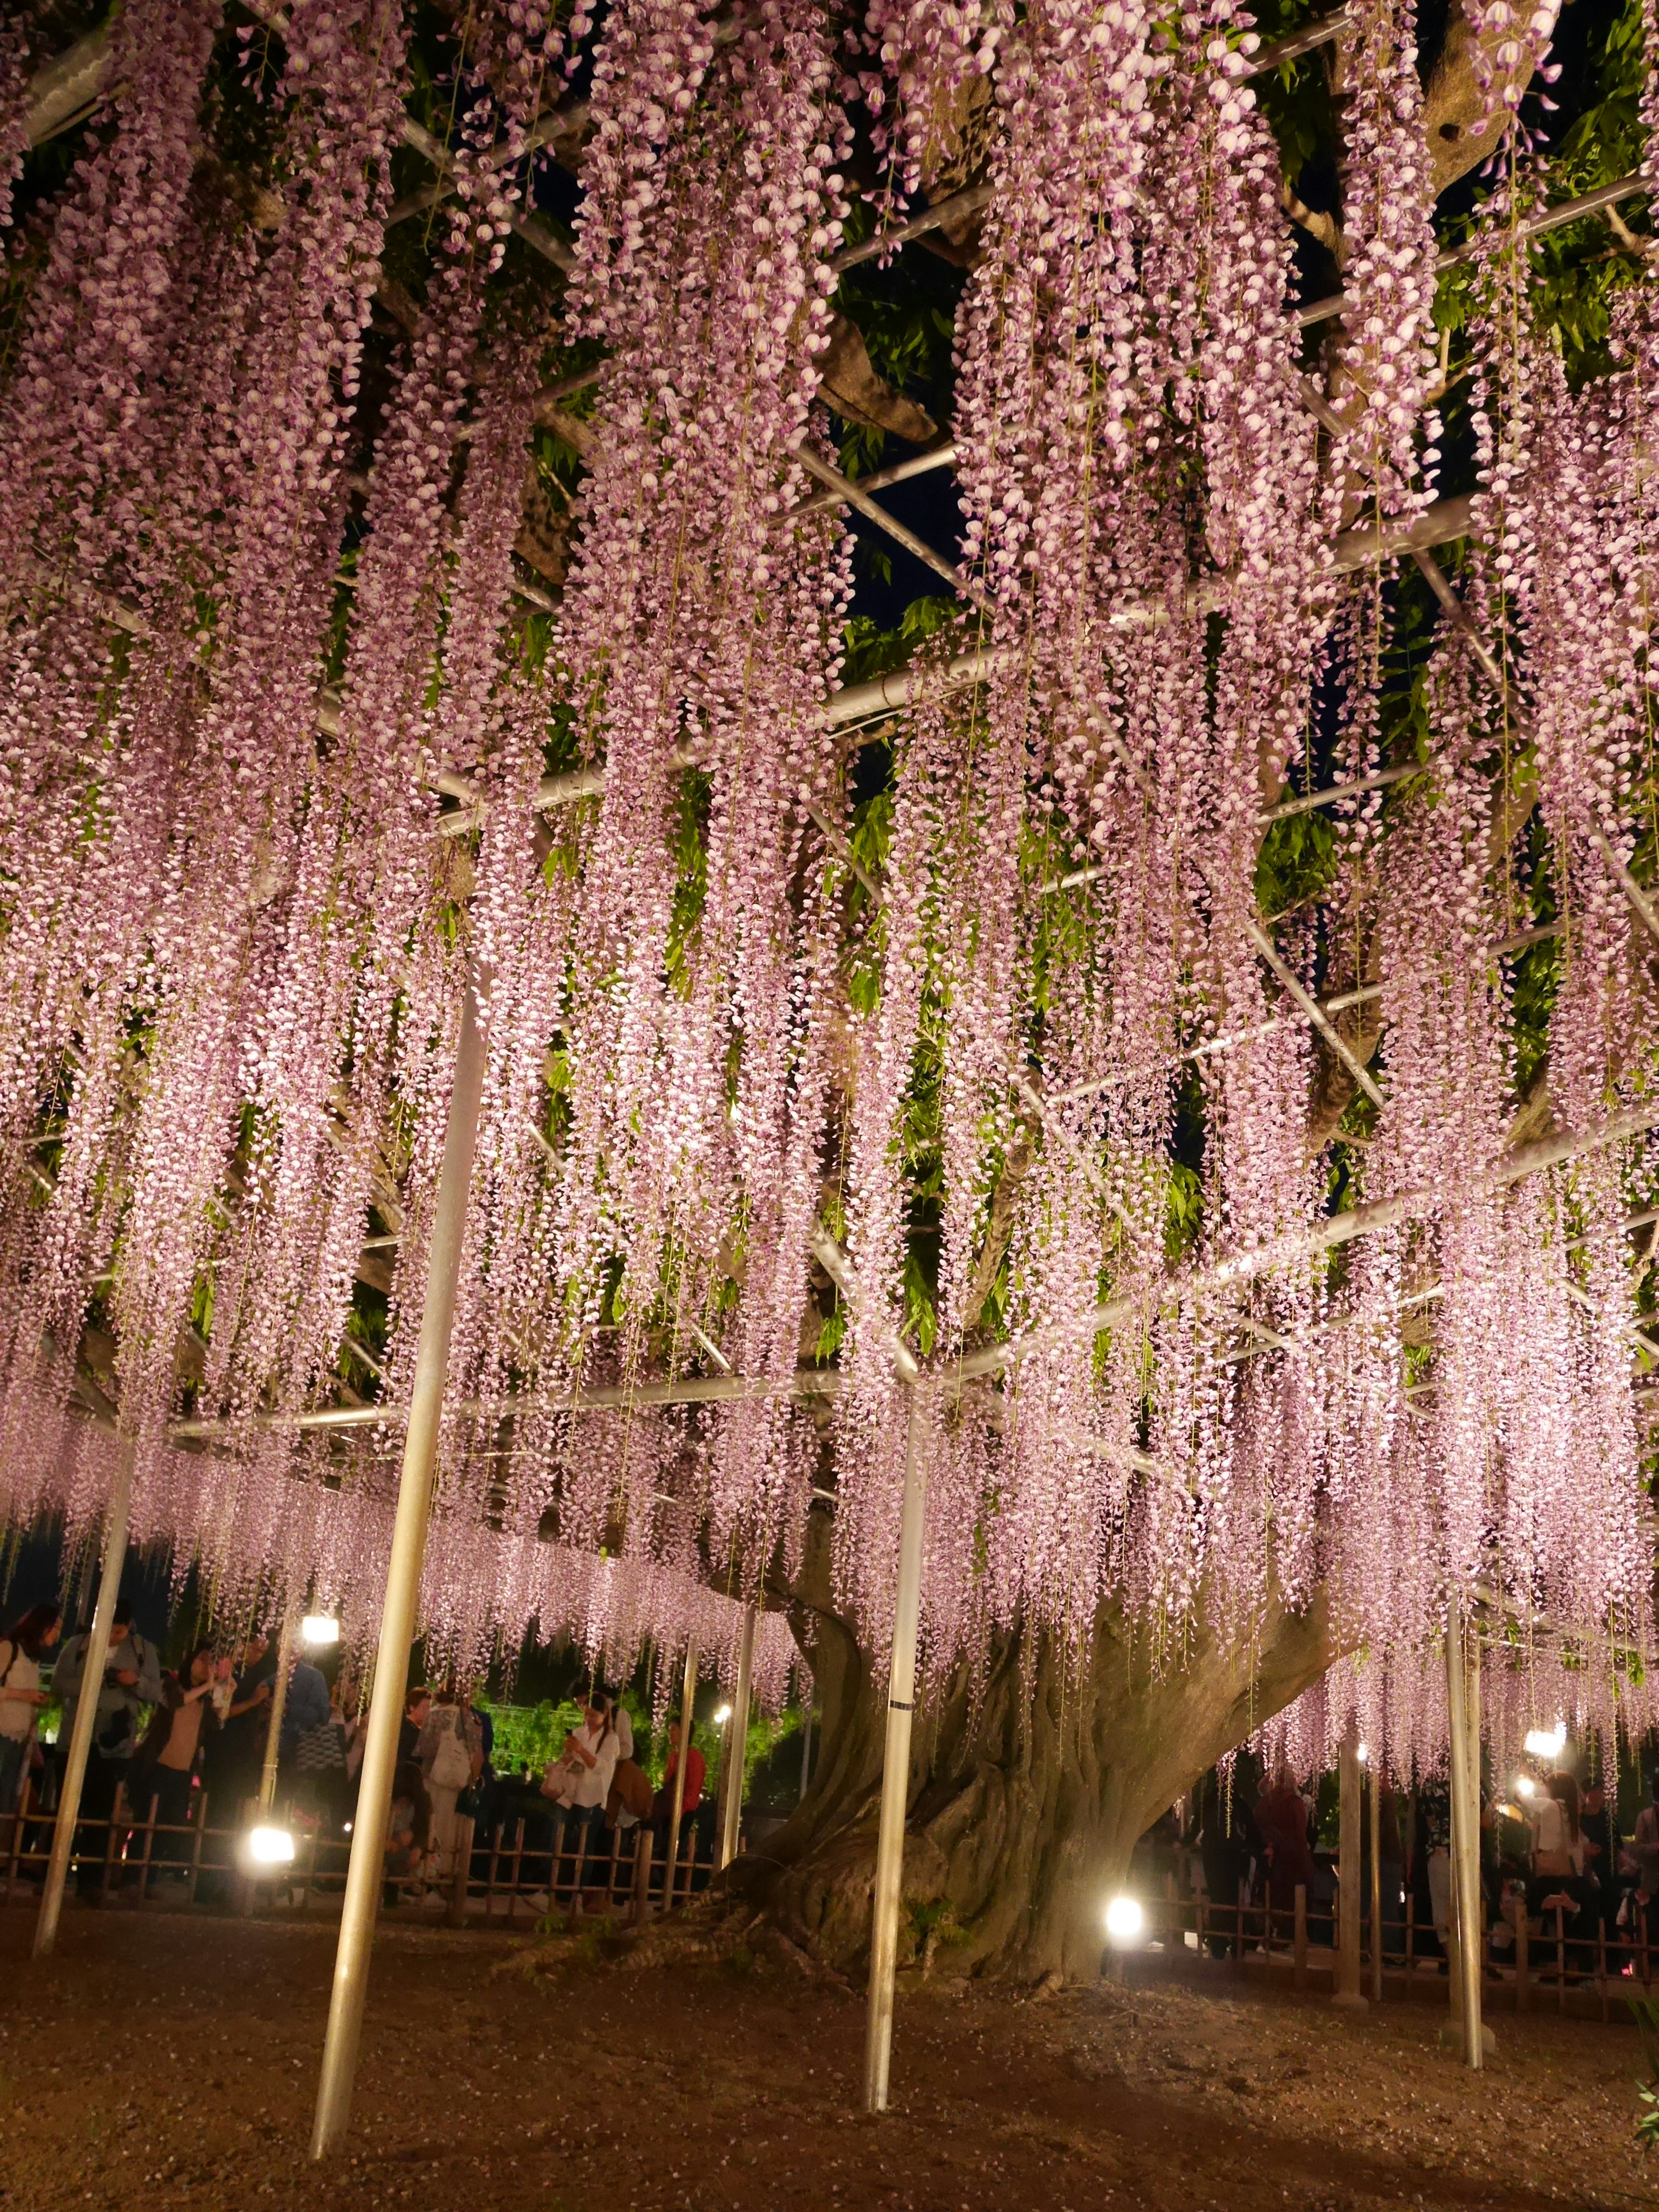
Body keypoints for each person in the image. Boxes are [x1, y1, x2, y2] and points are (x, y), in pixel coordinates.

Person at [52, 1599, 163, 1888]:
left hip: (114, 1744)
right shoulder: (79, 1645)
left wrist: (134, 1681)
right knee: (65, 1810)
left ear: (128, 1627)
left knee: (101, 1814)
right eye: (108, 1630)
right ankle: (53, 1875)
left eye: (119, 1631)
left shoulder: (142, 1650)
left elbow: (156, 1692)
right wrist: (93, 1681)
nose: (113, 1636)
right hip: (75, 1739)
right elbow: (58, 1684)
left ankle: (90, 1882)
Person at [131, 1643, 218, 1869]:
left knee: (169, 1827)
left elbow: (216, 1725)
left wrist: (223, 1695)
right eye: (202, 1659)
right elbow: (175, 1702)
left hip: (182, 1771)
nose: (206, 1666)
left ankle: (150, 1880)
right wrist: (208, 1686)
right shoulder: (171, 1683)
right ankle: (132, 1877)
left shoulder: (204, 1699)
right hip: (159, 1765)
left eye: (211, 1662)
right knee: (146, 1824)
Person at [542, 1692, 620, 1888]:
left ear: (605, 1714)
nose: (589, 1720)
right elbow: (568, 1759)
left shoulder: (611, 1740)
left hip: (592, 1799)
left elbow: (600, 1766)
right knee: (559, 1840)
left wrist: (580, 1751)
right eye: (586, 1715)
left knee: (584, 1848)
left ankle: (577, 1891)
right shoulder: (579, 1732)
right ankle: (554, 1887)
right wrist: (563, 1757)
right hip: (570, 1794)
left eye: (593, 1716)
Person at [207, 1628, 277, 1821]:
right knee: (218, 1802)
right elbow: (222, 1713)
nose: (258, 1656)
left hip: (245, 1746)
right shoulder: (225, 1670)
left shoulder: (259, 1675)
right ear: (243, 1644)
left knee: (237, 1803)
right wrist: (253, 1702)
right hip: (222, 1744)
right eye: (255, 1650)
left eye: (263, 1652)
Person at [417, 1683, 483, 1889]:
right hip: (453, 1781)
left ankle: (421, 1874)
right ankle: (440, 1876)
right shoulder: (467, 1718)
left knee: (426, 1825)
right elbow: (475, 1753)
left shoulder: (433, 1715)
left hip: (431, 1777)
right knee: (446, 1829)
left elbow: (424, 1750)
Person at [0, 1604, 60, 1815]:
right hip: (3, 1734)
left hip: (20, 1738)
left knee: (9, 1802)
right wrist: (23, 1695)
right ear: (42, 1627)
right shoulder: (9, 1648)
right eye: (55, 1627)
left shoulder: (33, 1659)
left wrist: (33, 1706)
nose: (58, 1633)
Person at [650, 1716, 706, 1884]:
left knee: (671, 1852)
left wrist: (679, 1813)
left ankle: (674, 1894)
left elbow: (692, 1789)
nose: (670, 1733)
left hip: (684, 1812)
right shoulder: (674, 1756)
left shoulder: (694, 1756)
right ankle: (666, 1891)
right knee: (663, 1852)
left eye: (674, 1729)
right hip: (669, 1811)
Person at [399, 1684, 432, 1766]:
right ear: (412, 1708)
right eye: (425, 1707)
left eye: (429, 1708)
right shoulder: (407, 1730)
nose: (428, 1712)